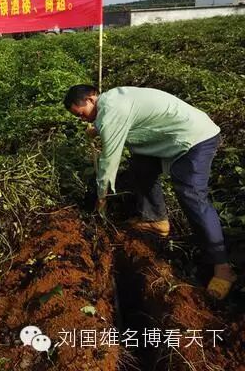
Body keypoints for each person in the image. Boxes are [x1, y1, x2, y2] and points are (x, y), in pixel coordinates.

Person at [64, 84, 237, 299]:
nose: (83, 120)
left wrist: (101, 196)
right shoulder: (113, 100)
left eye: (81, 114)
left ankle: (222, 267)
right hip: (170, 135)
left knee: (191, 194)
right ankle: (157, 220)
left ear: (91, 99)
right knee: (141, 165)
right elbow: (120, 119)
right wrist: (98, 128)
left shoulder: (111, 112)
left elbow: (109, 161)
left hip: (195, 138)